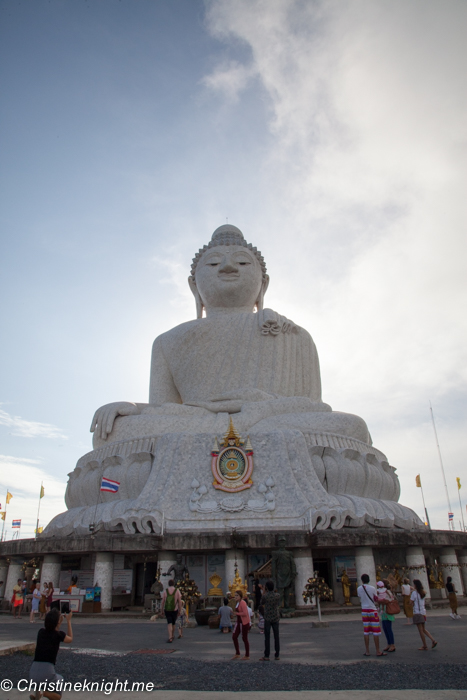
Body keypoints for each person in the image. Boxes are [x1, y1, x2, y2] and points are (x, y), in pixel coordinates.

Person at [29, 608, 73, 700]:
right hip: (47, 670)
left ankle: (38, 694)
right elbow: (70, 639)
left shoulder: (40, 632)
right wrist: (68, 621)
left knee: (46, 683)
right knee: (57, 693)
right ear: (57, 622)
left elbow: (52, 631)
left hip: (33, 671)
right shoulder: (59, 635)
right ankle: (43, 693)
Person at [357, 574, 385, 657]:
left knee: (366, 631)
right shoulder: (372, 588)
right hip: (372, 610)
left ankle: (367, 651)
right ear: (369, 580)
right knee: (375, 631)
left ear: (362, 580)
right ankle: (377, 650)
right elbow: (375, 598)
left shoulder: (359, 588)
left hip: (364, 610)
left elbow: (360, 597)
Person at [411, 579, 437, 650]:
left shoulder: (414, 593)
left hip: (417, 613)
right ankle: (433, 640)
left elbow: (411, 602)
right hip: (423, 612)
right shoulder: (423, 592)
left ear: (415, 585)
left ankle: (425, 645)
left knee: (421, 630)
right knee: (424, 629)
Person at [259, 579, 281, 661]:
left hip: (267, 617)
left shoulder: (265, 596)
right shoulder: (277, 595)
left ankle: (267, 655)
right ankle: (277, 654)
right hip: (275, 617)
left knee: (267, 637)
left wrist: (264, 591)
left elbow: (261, 603)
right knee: (276, 636)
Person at [375, 579, 396, 652]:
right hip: (383, 611)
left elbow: (388, 600)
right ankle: (389, 643)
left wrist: (380, 601)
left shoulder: (387, 592)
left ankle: (392, 644)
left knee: (388, 628)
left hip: (387, 611)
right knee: (385, 628)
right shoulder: (382, 591)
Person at [232, 590, 250, 660]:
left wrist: (237, 613)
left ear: (240, 596)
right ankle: (237, 653)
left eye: (237, 595)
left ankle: (247, 655)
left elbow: (245, 613)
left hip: (244, 622)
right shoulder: (238, 603)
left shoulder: (242, 603)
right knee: (234, 636)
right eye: (235, 595)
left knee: (244, 638)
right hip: (239, 622)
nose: (235, 597)